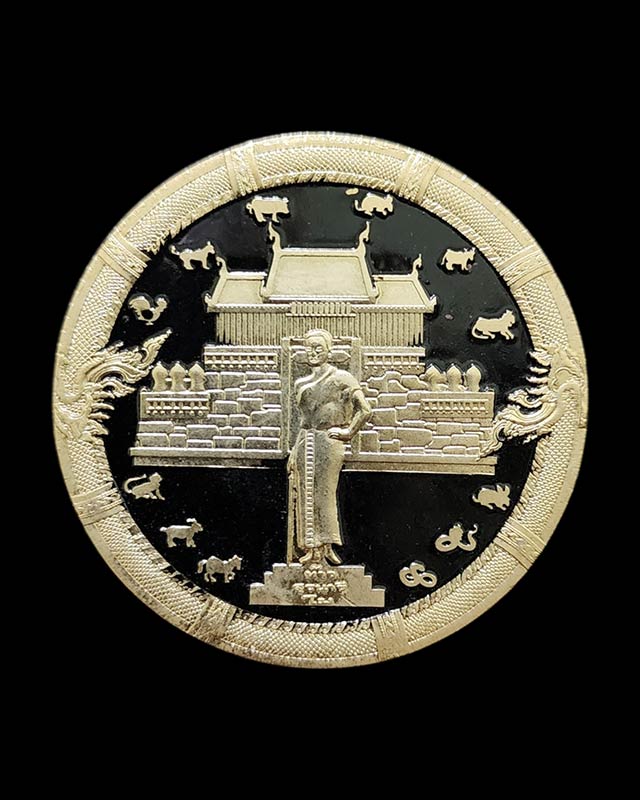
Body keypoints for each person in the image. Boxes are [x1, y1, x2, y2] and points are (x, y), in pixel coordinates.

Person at [287, 329, 372, 565]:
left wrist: (348, 432)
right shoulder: (301, 383)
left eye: (318, 348)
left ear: (329, 351)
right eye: (309, 348)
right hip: (306, 441)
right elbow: (302, 422)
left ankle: (326, 546)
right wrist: (294, 451)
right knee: (305, 494)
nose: (313, 352)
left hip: (329, 441)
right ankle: (310, 548)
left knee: (324, 493)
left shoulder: (342, 378)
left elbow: (365, 410)